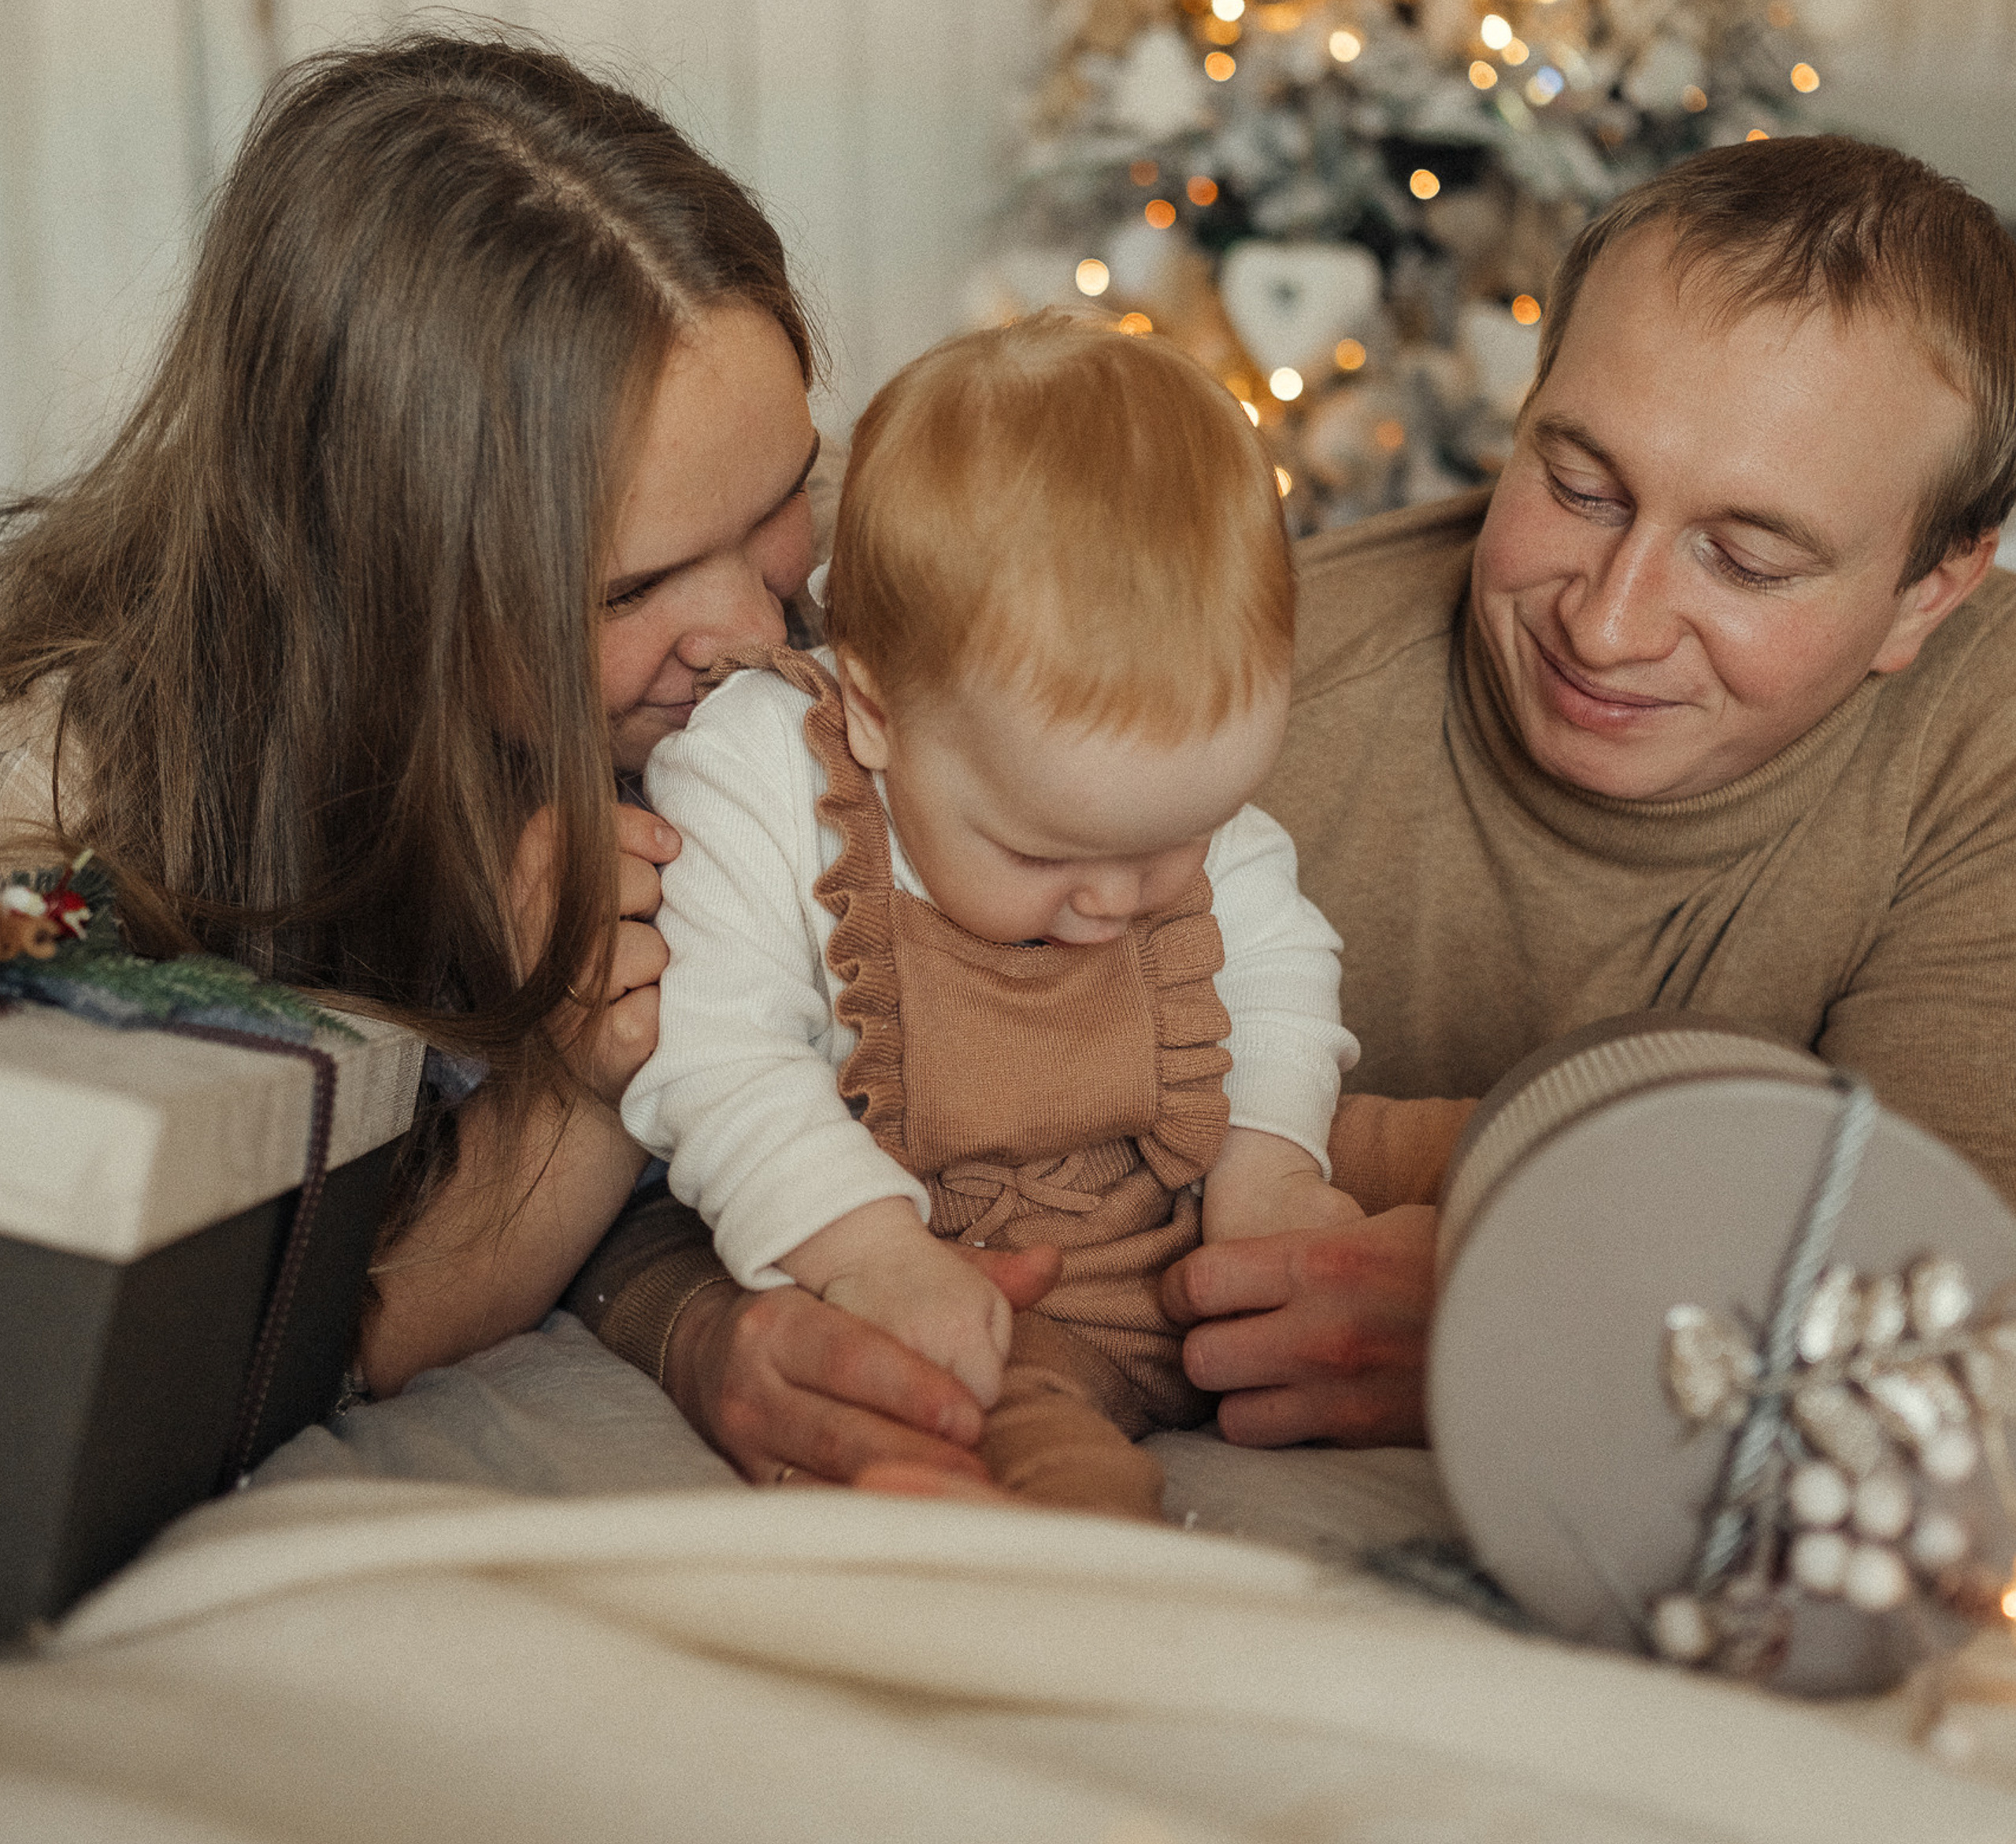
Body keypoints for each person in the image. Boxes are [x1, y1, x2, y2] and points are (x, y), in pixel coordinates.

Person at [573, 131, 2016, 1483]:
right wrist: (710, 1331)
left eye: (1749, 561)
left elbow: (1971, 1292)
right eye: (1576, 484)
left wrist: (1566, 1330)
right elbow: (664, 1080)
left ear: (1930, 592)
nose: (1614, 622)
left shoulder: (1983, 754)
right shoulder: (1175, 700)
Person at [0, 31, 1054, 1475]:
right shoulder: (67, 805)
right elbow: (230, 1357)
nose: (754, 632)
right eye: (628, 591)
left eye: (782, 503)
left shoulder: (821, 703)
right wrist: (578, 1073)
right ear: (378, 579)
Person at [619, 315, 1359, 1516]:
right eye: (1041, 851)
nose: (1117, 901)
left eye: (1178, 838)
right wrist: (868, 1253)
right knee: (974, 1396)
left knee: (1475, 1143)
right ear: (875, 714)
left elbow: (1276, 968)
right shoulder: (758, 771)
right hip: (978, 1256)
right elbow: (714, 1053)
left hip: (1181, 1170)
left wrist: (1272, 1167)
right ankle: (1091, 1564)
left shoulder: (1144, 795)